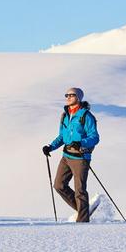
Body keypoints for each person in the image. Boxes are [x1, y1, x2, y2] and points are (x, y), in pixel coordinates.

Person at [42, 87, 100, 222]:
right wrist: (51, 147)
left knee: (80, 190)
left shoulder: (86, 116)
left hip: (80, 157)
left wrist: (81, 143)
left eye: (71, 95)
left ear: (78, 98)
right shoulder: (65, 115)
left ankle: (83, 221)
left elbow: (95, 137)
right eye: (66, 95)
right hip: (66, 156)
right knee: (59, 185)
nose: (68, 97)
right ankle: (83, 210)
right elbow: (62, 136)